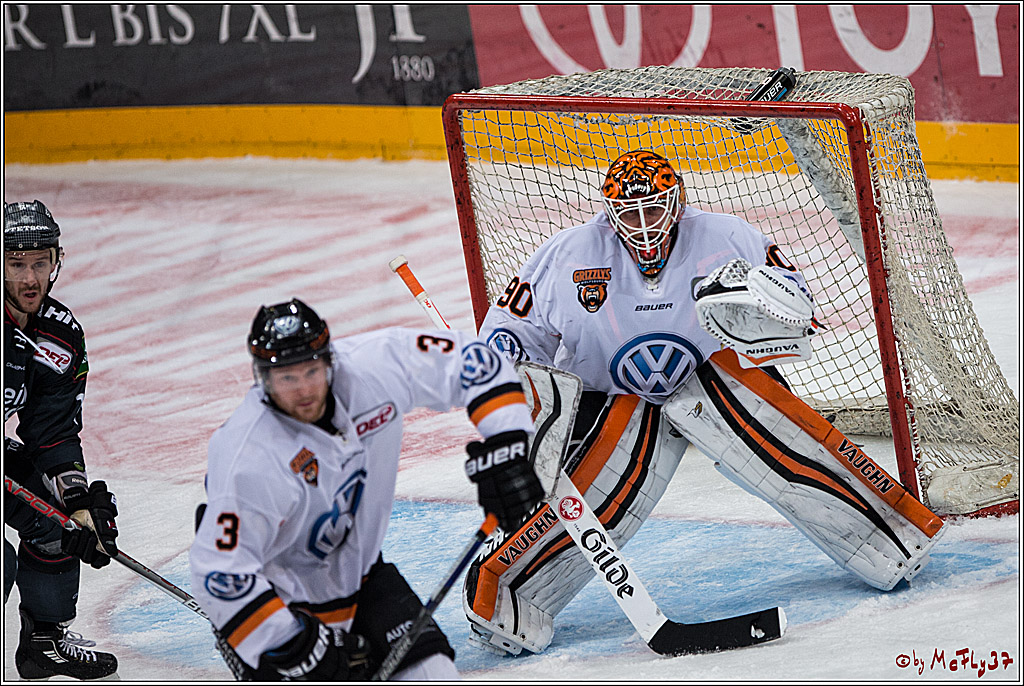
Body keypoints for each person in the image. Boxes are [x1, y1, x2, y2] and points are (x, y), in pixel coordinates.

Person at [462, 150, 943, 656]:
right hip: (609, 400)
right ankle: (508, 601)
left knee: (788, 449)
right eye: (629, 214)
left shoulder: (727, 237)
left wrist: (762, 307)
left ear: (678, 202)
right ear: (609, 212)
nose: (643, 225)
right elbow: (510, 330)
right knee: (592, 500)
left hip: (714, 384)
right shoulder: (569, 254)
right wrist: (506, 376)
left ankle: (892, 538)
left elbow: (797, 310)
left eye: (653, 210)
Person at [189, 298, 544, 680]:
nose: (304, 389)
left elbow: (475, 360)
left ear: (329, 360)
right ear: (263, 379)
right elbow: (219, 574)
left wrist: (507, 444)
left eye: (312, 370)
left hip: (362, 576)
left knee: (436, 673)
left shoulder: (373, 367)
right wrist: (292, 644)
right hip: (284, 603)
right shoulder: (248, 457)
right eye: (287, 378)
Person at [4, 200, 120, 680]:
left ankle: (43, 644)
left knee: (60, 520)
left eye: (40, 262)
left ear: (57, 261)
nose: (30, 278)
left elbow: (51, 430)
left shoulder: (59, 334)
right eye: (16, 264)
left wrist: (77, 500)